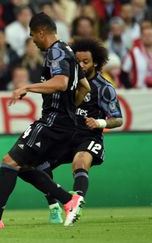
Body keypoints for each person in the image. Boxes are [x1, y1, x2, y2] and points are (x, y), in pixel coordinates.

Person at [0, 12, 90, 229]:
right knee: (22, 167)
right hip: (64, 123)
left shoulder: (56, 52)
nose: (32, 40)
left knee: (9, 162)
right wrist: (71, 109)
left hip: (53, 121)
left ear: (42, 32)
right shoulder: (68, 51)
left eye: (33, 35)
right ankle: (68, 200)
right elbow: (84, 87)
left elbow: (62, 83)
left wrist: (27, 86)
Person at [21, 37, 123, 224]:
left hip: (89, 136)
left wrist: (99, 123)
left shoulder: (104, 88)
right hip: (65, 135)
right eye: (78, 61)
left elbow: (118, 119)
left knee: (80, 161)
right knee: (36, 165)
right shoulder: (66, 82)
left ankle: (76, 203)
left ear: (96, 63)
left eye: (86, 61)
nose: (81, 65)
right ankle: (54, 207)